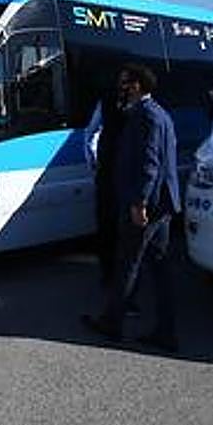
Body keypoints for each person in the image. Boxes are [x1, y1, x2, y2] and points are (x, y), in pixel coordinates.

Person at [83, 63, 181, 352]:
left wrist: (139, 202)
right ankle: (166, 331)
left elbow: (149, 163)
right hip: (164, 203)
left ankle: (112, 323)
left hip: (147, 205)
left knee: (127, 263)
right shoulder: (160, 113)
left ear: (137, 85)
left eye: (125, 82)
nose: (121, 87)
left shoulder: (145, 116)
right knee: (160, 268)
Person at [83, 69, 130, 286]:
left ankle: (113, 276)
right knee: (113, 227)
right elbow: (91, 135)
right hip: (115, 174)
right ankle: (114, 276)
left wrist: (94, 163)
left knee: (112, 227)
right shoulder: (116, 103)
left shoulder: (139, 108)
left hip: (113, 173)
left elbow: (90, 135)